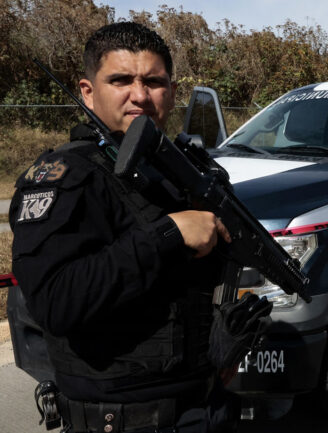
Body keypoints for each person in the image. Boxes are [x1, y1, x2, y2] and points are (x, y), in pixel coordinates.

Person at [10, 22, 241, 433]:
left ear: (170, 90)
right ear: (87, 91)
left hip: (207, 404)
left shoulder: (188, 172)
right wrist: (167, 234)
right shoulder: (65, 177)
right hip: (120, 418)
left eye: (154, 81)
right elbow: (56, 302)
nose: (140, 95)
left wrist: (222, 342)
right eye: (121, 80)